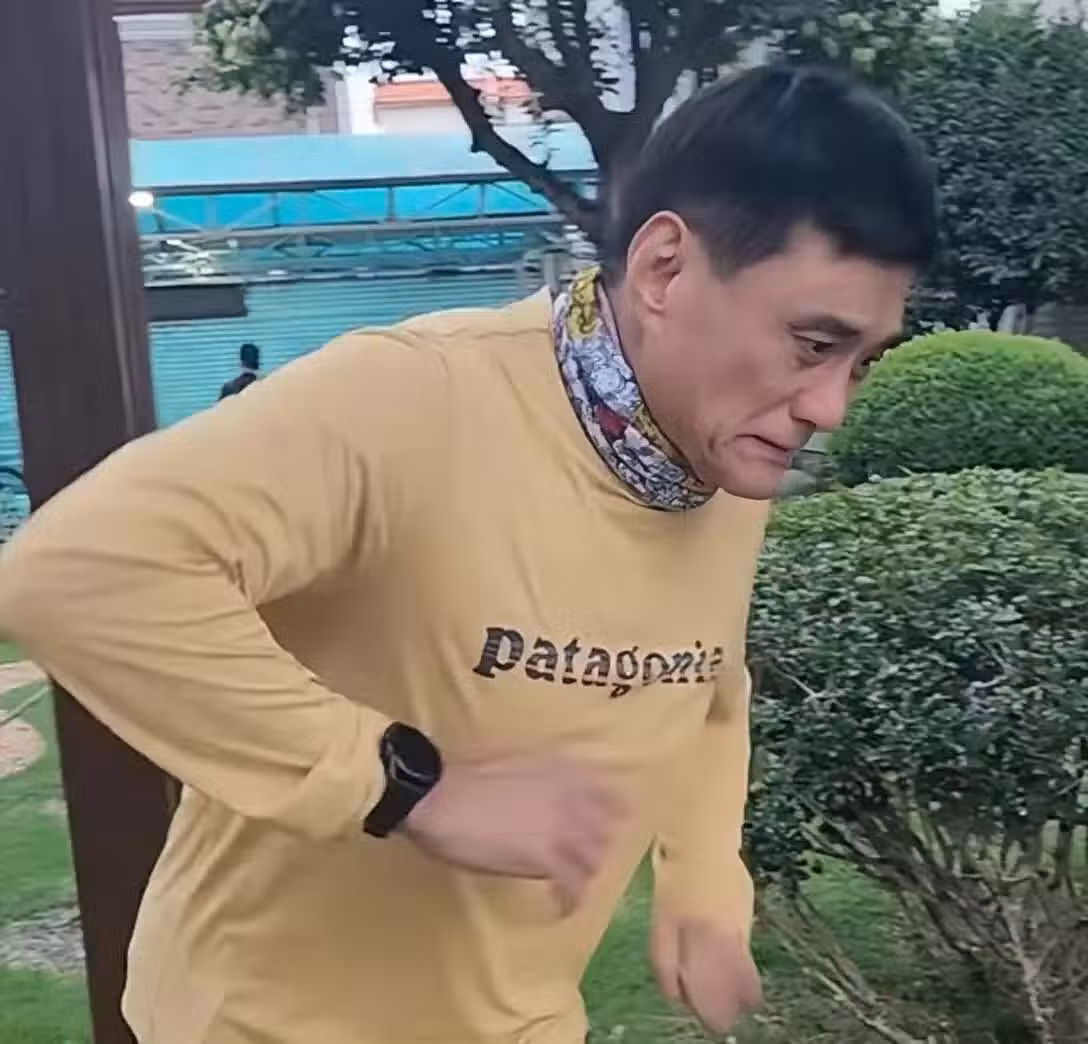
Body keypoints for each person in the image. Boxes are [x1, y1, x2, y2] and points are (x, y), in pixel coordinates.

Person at [0, 64, 937, 1044]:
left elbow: (705, 686)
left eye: (861, 361)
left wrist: (703, 878)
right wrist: (402, 787)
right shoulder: (415, 402)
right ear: (664, 269)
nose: (831, 406)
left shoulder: (719, 461)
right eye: (811, 344)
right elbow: (76, 573)